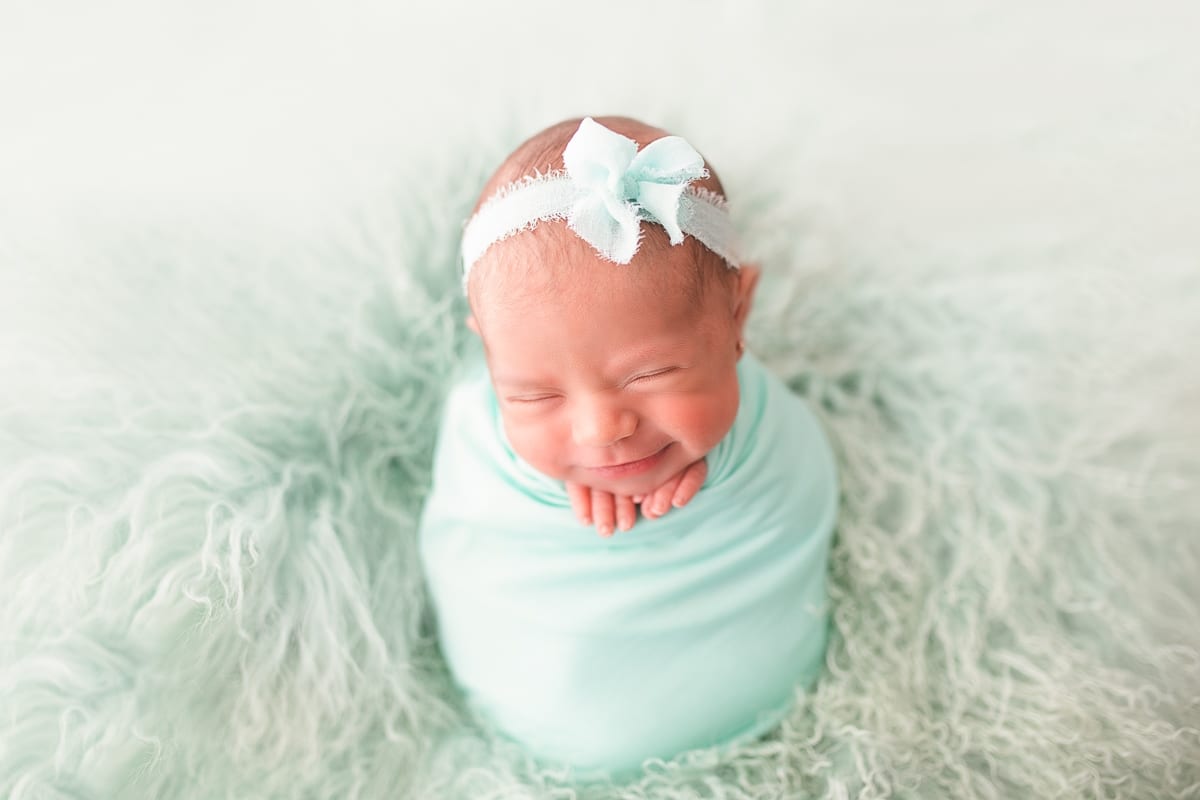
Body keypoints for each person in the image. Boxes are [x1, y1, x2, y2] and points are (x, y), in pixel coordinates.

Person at [419, 116, 839, 778]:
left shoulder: (765, 426)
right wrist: (549, 493)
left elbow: (796, 481)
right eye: (534, 396)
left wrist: (724, 468)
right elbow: (473, 515)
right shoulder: (477, 424)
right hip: (531, 716)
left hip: (752, 707)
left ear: (738, 313)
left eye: (650, 376)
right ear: (488, 350)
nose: (600, 430)